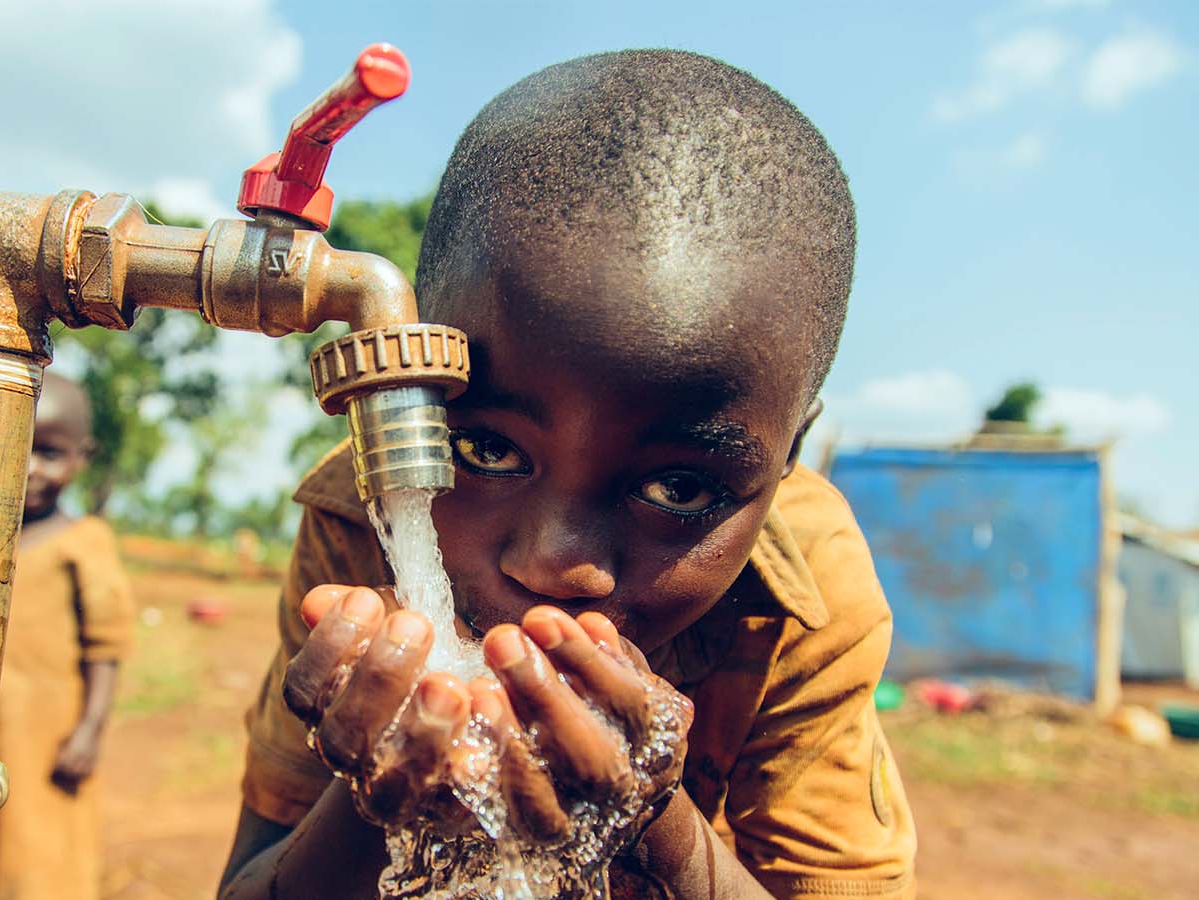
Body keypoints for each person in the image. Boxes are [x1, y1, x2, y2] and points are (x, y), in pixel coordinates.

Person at [219, 50, 916, 899]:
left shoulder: (807, 591)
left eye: (680, 490)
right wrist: (369, 791)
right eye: (486, 448)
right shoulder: (368, 511)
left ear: (789, 457)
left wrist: (652, 821)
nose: (553, 564)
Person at [0, 372, 135, 900]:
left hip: (48, 733)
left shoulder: (85, 543)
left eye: (51, 452)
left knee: (41, 850)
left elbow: (105, 647)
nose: (31, 467)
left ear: (81, 457)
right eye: (21, 446)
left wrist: (89, 730)